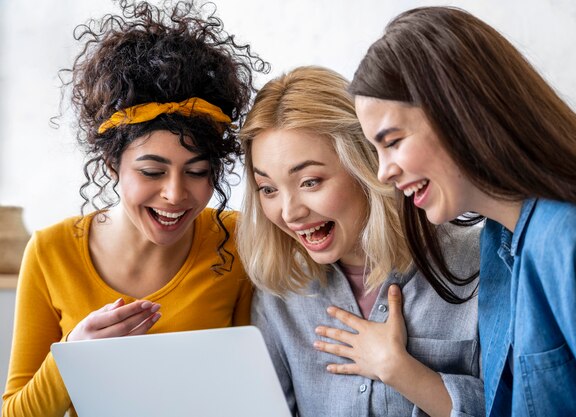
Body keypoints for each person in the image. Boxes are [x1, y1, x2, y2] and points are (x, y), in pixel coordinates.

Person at [349, 6, 576, 417]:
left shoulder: (570, 237)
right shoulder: (499, 242)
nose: (384, 171)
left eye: (392, 141)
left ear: (457, 111)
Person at [2, 2, 267, 416]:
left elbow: (255, 391)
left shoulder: (237, 242)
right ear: (112, 165)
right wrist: (72, 356)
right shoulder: (51, 252)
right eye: (152, 171)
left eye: (197, 171)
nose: (176, 194)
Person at [237, 66, 485, 417]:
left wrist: (402, 371)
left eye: (310, 182)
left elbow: (525, 405)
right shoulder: (281, 296)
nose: (289, 212)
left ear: (365, 166)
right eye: (268, 189)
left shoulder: (480, 262)